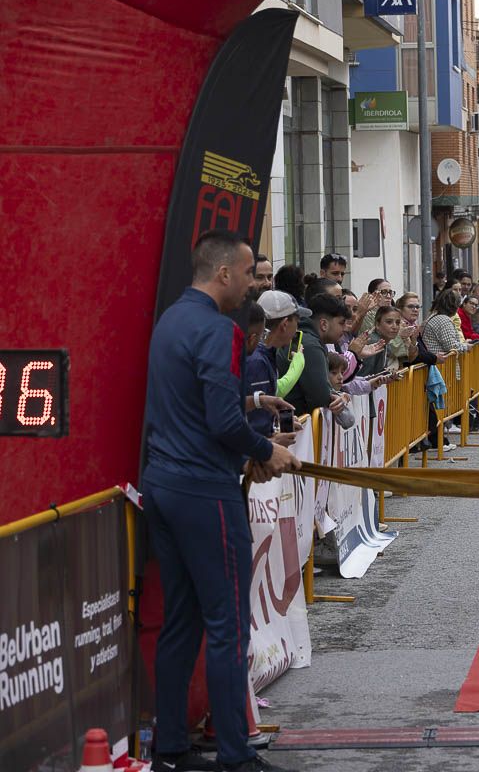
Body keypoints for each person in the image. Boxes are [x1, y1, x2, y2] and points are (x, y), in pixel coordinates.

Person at [142, 230, 300, 772]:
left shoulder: (170, 322)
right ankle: (235, 754)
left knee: (182, 620)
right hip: (204, 489)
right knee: (228, 624)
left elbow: (194, 402)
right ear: (225, 273)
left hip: (162, 484)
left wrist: (251, 413)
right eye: (251, 273)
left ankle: (170, 746)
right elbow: (222, 420)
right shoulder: (219, 329)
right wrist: (264, 449)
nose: (255, 283)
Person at [246, 292, 309, 439]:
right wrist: (273, 442)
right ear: (285, 324)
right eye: (297, 322)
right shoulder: (256, 360)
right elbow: (253, 423)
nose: (297, 331)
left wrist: (276, 422)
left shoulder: (267, 354)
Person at [282, 292, 353, 417]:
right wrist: (336, 398)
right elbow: (320, 398)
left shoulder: (305, 339)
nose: (345, 329)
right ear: (324, 324)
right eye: (341, 323)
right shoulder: (311, 346)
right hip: (299, 427)